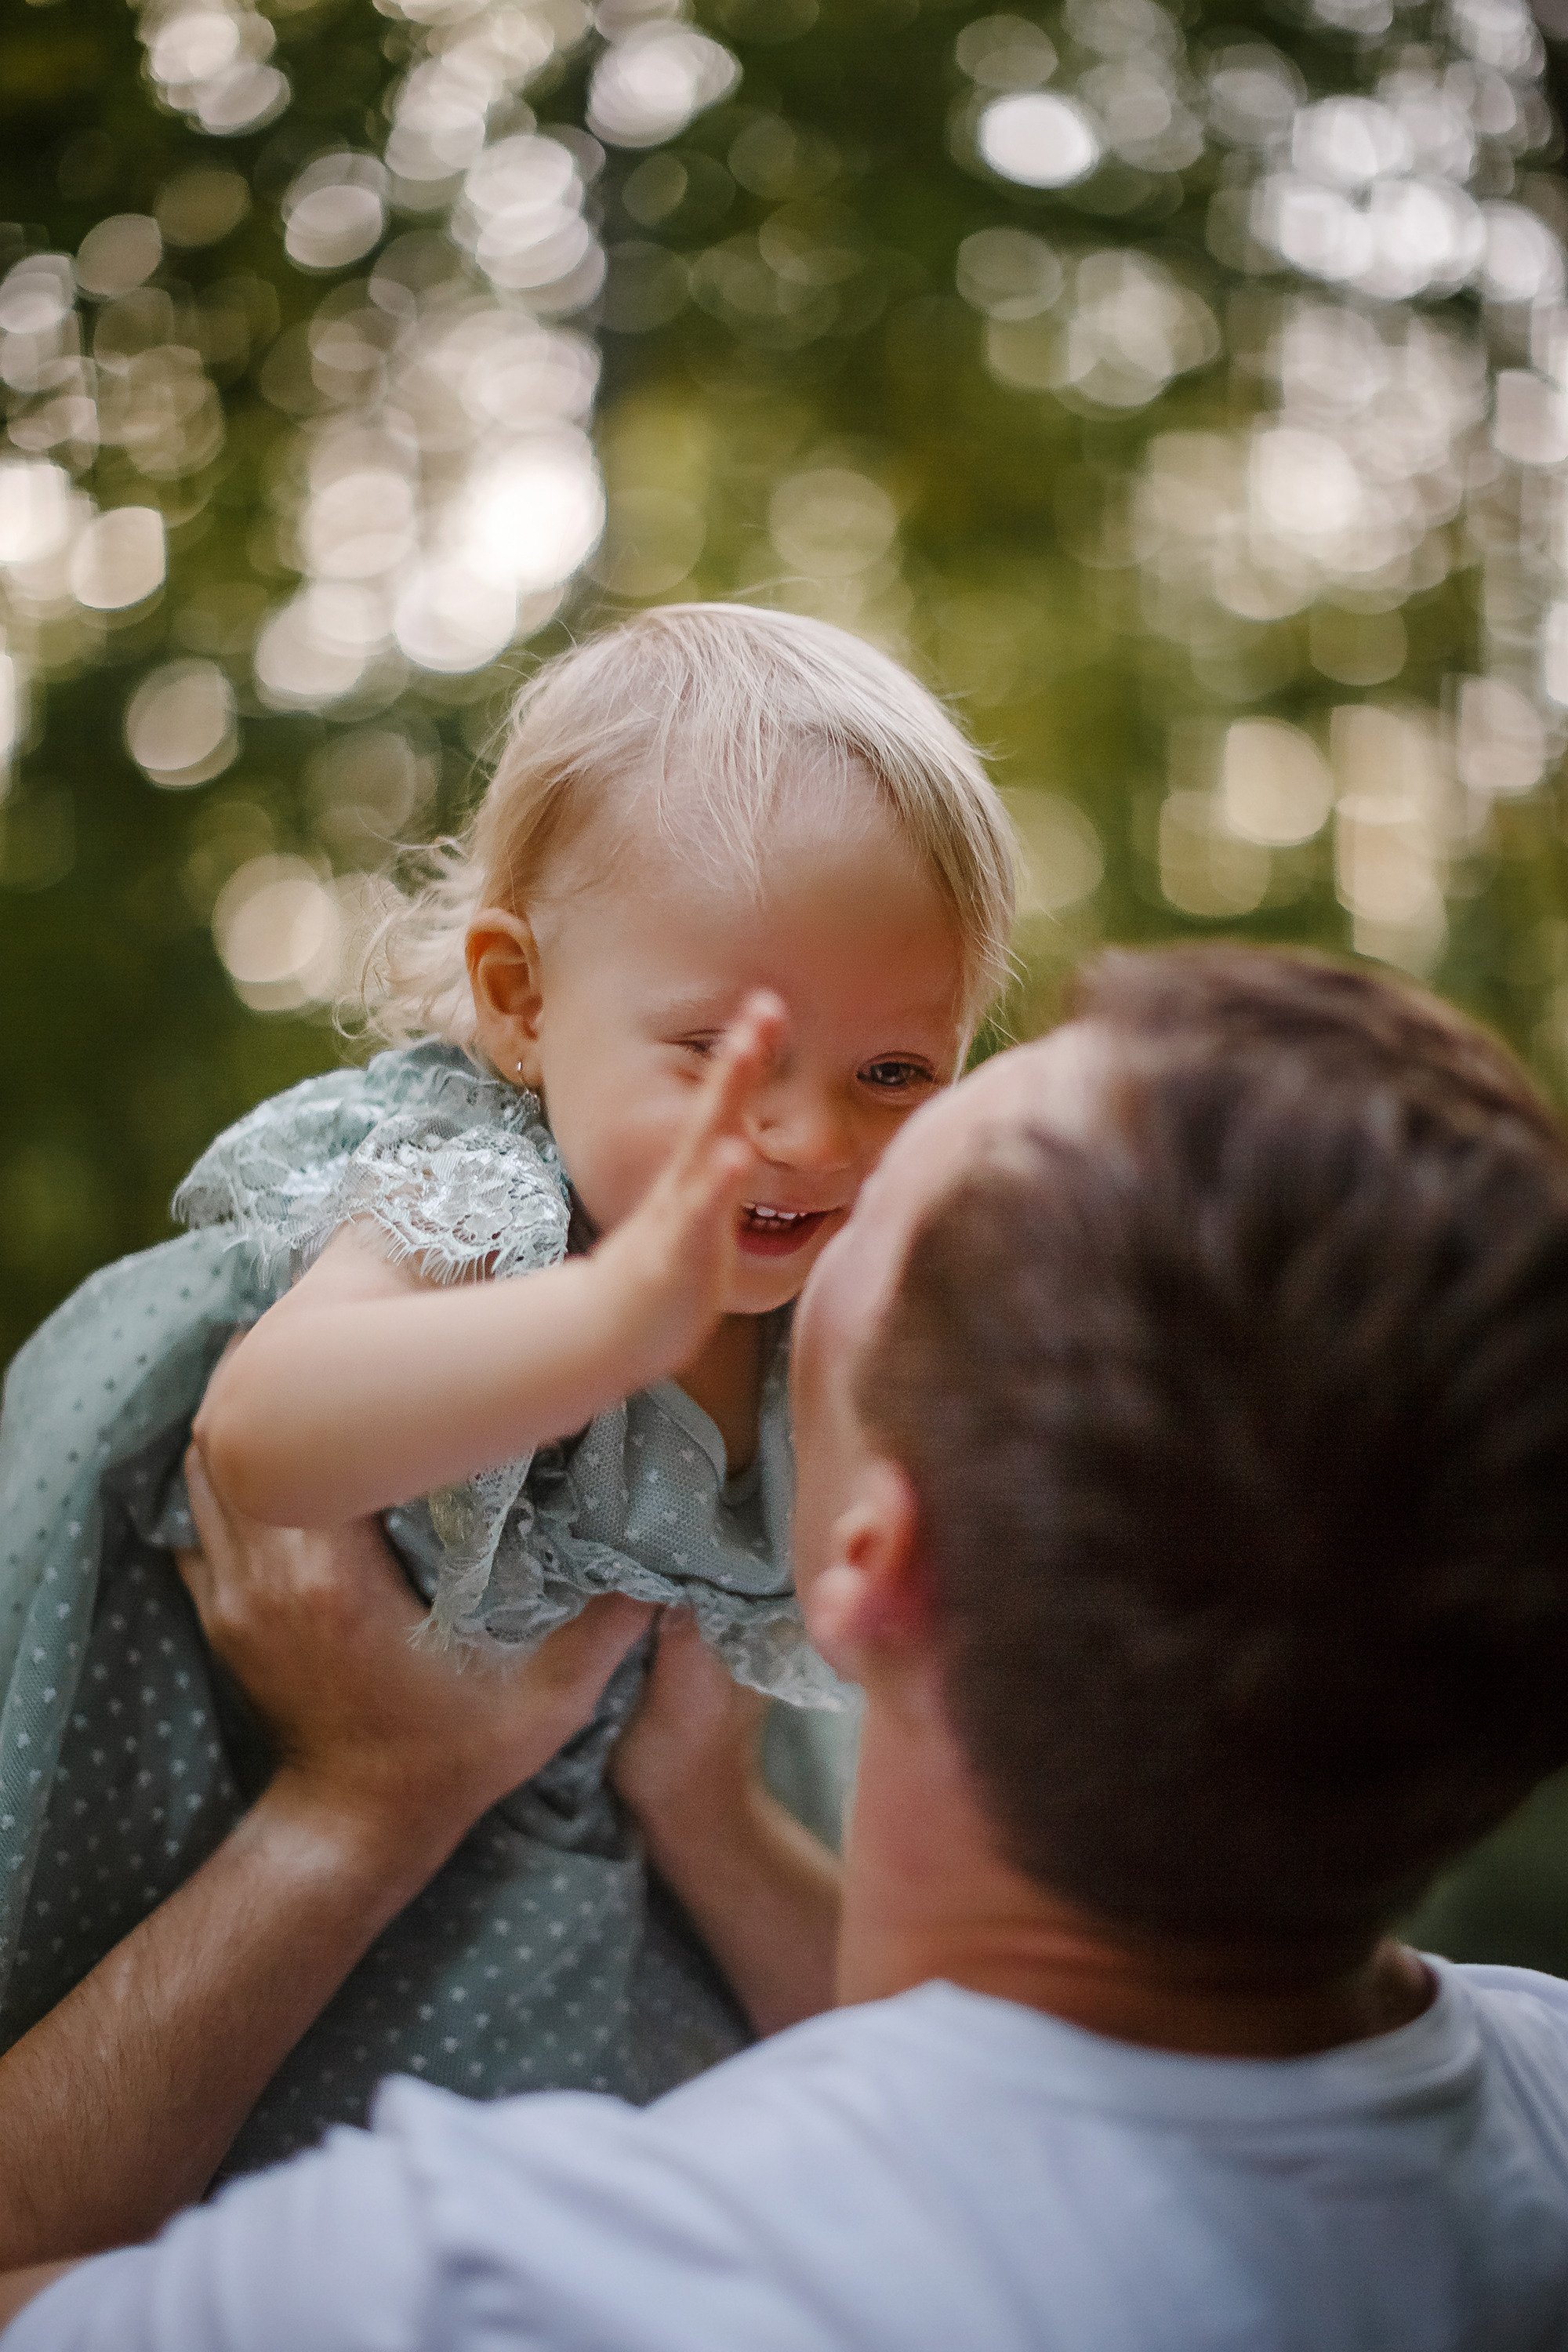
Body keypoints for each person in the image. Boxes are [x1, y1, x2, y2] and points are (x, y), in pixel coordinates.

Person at [9, 941, 1568, 2348]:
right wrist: (714, 1820)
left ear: (877, 1564)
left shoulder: (532, 2291)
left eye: (883, 1204)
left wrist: (353, 1809)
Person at [0, 603, 1015, 2165]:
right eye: (727, 1056)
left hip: (615, 1947)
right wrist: (604, 1324)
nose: (815, 1138)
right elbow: (264, 1440)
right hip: (313, 1937)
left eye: (896, 1072)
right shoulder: (484, 1185)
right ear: (522, 1003)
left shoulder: (841, 1308)